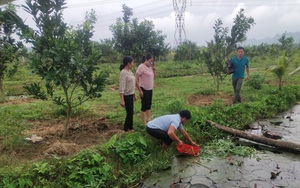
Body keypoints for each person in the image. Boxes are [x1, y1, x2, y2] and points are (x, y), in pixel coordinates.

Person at [135, 53, 156, 125]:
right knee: (144, 105)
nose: (152, 62)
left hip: (150, 88)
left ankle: (149, 120)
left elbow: (153, 77)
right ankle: (144, 123)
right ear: (146, 60)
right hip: (143, 88)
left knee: (149, 104)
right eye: (151, 60)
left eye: (153, 61)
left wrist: (154, 69)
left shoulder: (150, 67)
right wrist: (140, 90)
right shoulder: (141, 67)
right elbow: (136, 79)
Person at [119, 56, 138, 132]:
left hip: (131, 95)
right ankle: (126, 129)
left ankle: (130, 127)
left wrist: (134, 95)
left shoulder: (130, 72)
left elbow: (132, 85)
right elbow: (122, 87)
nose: (133, 64)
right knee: (129, 112)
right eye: (132, 62)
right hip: (126, 96)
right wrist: (122, 100)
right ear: (128, 63)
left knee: (131, 112)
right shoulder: (123, 73)